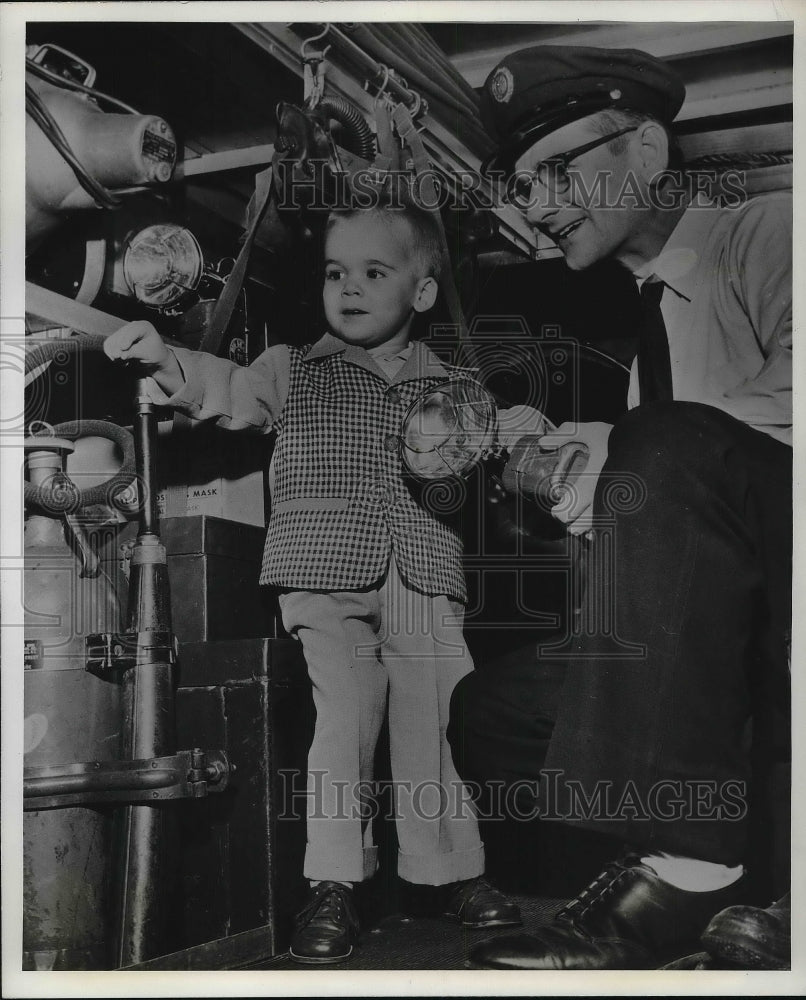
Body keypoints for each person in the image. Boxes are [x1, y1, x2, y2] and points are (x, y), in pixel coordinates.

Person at [103, 195, 531, 964]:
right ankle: (334, 882)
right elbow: (228, 390)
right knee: (343, 726)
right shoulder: (292, 367)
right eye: (337, 273)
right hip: (322, 571)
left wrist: (534, 443)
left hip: (424, 572)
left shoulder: (456, 386)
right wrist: (169, 361)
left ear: (423, 292)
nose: (350, 288)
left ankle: (452, 872)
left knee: (437, 727)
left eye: (374, 271)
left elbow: (508, 439)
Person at [447, 45, 792, 970]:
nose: (539, 204)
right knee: (495, 708)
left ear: (644, 150)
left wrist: (636, 447)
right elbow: (667, 531)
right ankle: (692, 857)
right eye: (523, 187)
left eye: (558, 172)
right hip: (720, 635)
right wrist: (572, 480)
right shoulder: (652, 341)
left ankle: (691, 868)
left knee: (662, 439)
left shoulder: (770, 231)